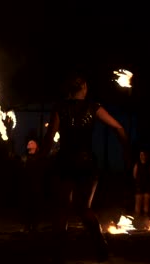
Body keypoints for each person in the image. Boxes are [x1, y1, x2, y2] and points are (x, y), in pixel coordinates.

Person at [40, 72, 131, 263]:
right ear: (83, 88)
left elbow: (49, 138)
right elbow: (118, 127)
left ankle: (59, 251)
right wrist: (126, 148)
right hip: (87, 163)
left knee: (63, 208)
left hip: (65, 162)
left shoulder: (60, 108)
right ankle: (101, 247)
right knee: (84, 208)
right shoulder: (94, 107)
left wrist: (41, 157)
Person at [19, 139, 47, 233]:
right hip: (26, 186)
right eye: (28, 142)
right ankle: (26, 226)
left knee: (35, 206)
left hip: (36, 185)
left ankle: (35, 226)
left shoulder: (40, 158)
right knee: (26, 206)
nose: (29, 143)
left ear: (36, 146)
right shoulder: (24, 157)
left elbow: (42, 171)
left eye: (32, 142)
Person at [133, 150, 150, 218]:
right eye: (141, 155)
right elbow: (134, 175)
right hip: (139, 186)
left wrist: (149, 184)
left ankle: (146, 217)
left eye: (144, 155)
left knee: (146, 202)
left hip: (147, 186)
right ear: (140, 156)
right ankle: (137, 217)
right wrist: (138, 182)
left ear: (147, 156)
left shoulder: (149, 165)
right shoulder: (137, 164)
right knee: (138, 202)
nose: (143, 156)